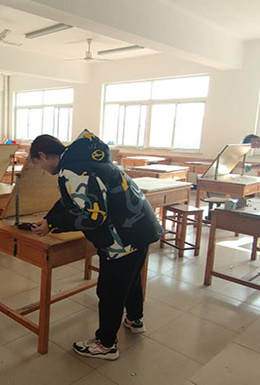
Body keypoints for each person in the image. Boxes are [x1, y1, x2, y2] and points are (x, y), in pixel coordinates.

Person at [30, 130, 163, 360]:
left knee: (110, 291)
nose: (42, 169)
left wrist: (55, 224)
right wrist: (50, 219)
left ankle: (105, 344)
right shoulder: (86, 161)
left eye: (38, 164)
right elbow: (71, 199)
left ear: (42, 155)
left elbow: (94, 217)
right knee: (131, 279)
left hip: (122, 237)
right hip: (141, 228)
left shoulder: (71, 171)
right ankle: (135, 320)